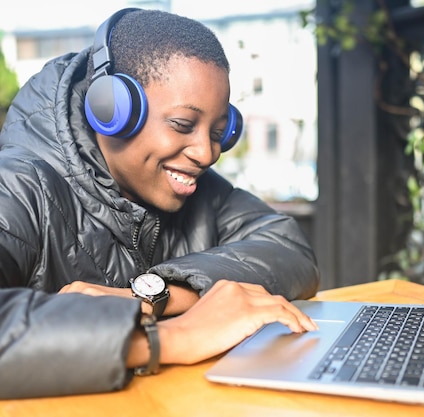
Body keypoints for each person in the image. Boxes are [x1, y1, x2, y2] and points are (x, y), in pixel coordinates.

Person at [0, 8, 320, 399]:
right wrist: (171, 338)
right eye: (184, 125)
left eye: (219, 132)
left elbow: (288, 246)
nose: (206, 153)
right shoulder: (16, 188)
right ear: (111, 109)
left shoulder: (199, 190)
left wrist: (160, 295)